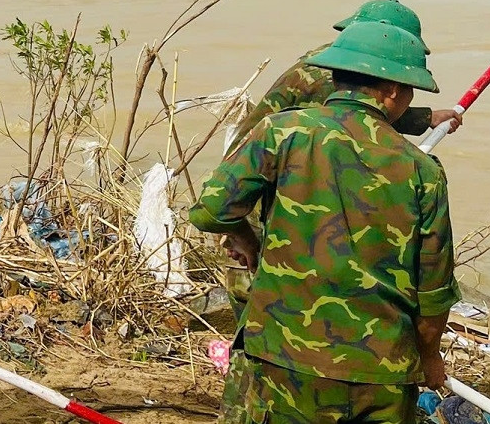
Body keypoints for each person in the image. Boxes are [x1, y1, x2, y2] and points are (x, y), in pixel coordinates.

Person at [191, 21, 459, 424]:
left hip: (282, 362)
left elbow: (211, 210)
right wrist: (430, 358)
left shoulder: (283, 132)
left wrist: (246, 237)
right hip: (380, 377)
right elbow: (433, 293)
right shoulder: (422, 170)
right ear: (390, 91)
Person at [230, 0, 460, 148]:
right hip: (256, 185)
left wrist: (428, 118)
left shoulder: (338, 60)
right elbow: (355, 116)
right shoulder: (330, 75)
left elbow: (363, 110)